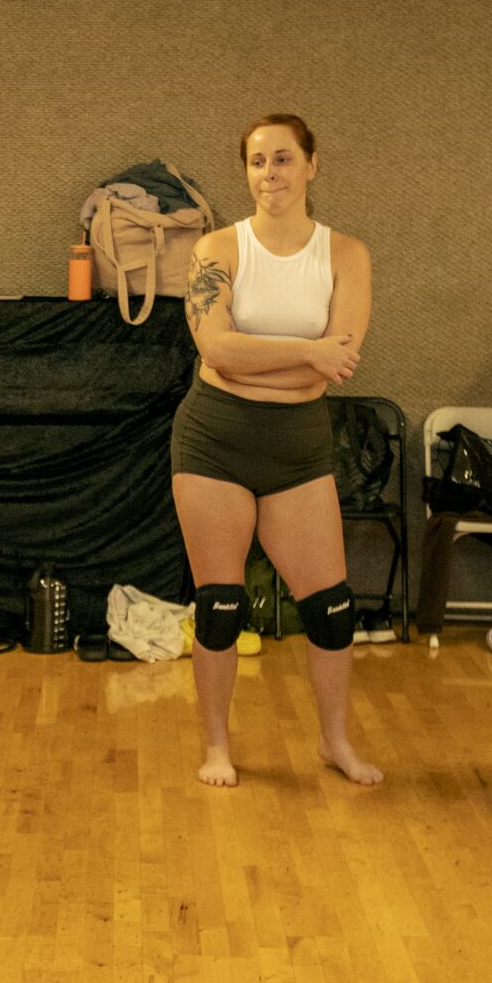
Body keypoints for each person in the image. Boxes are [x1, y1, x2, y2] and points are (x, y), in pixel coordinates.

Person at [174, 113, 382, 790]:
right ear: (247, 173)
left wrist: (281, 360)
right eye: (259, 162)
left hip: (298, 447)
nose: (271, 174)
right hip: (215, 440)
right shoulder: (216, 250)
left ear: (312, 165)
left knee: (331, 609)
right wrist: (306, 351)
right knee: (221, 605)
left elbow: (336, 365)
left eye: (284, 159)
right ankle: (215, 747)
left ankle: (335, 742)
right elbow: (215, 350)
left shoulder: (346, 254)